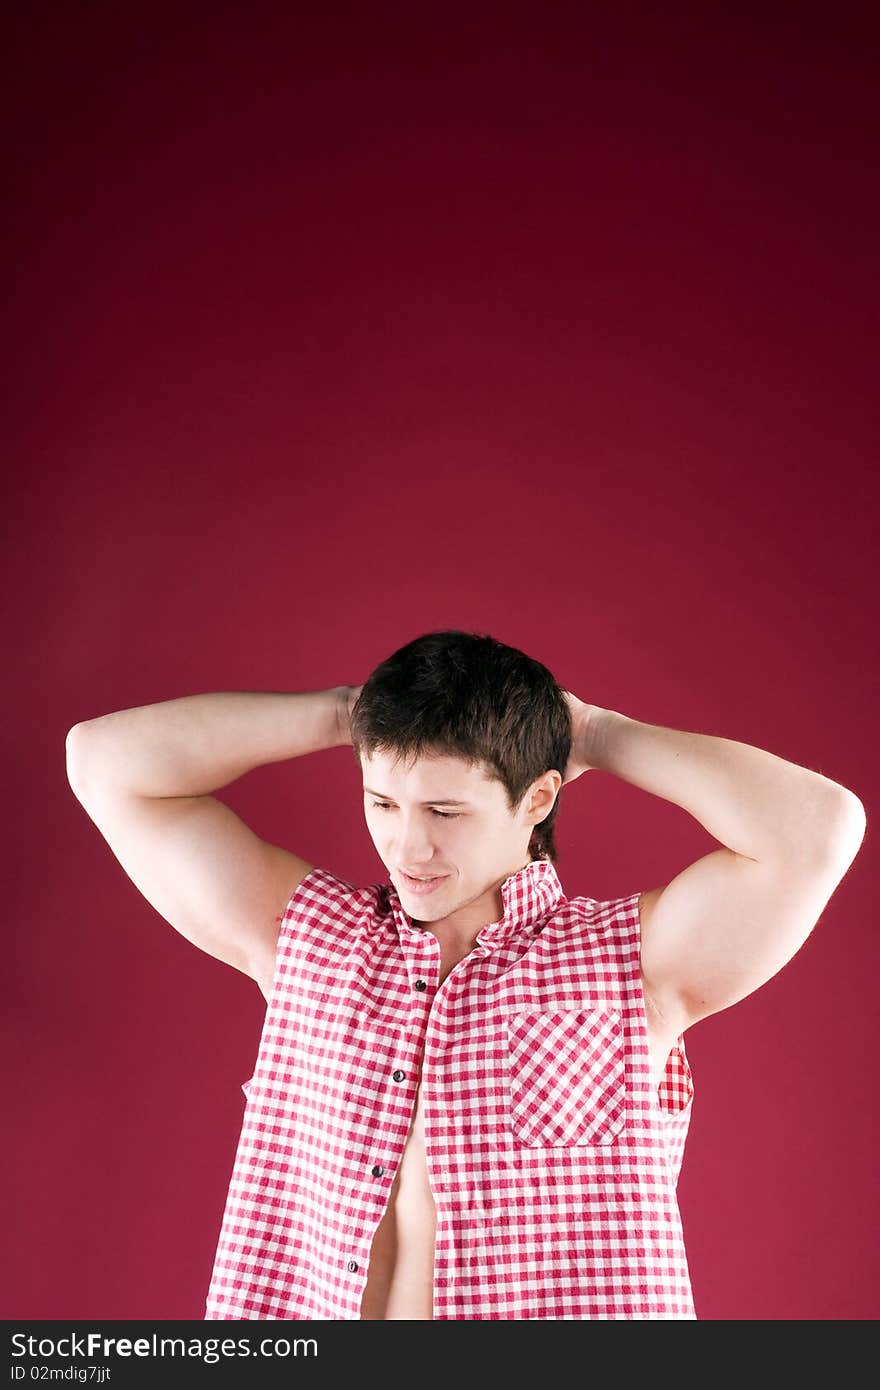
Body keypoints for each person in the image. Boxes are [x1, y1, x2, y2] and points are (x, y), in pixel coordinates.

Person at [65, 629, 865, 1320]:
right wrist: (349, 713)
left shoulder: (635, 963)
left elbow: (819, 831)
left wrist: (593, 733)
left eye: (444, 813)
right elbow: (102, 762)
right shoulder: (308, 939)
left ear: (537, 798)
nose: (407, 849)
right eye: (383, 803)